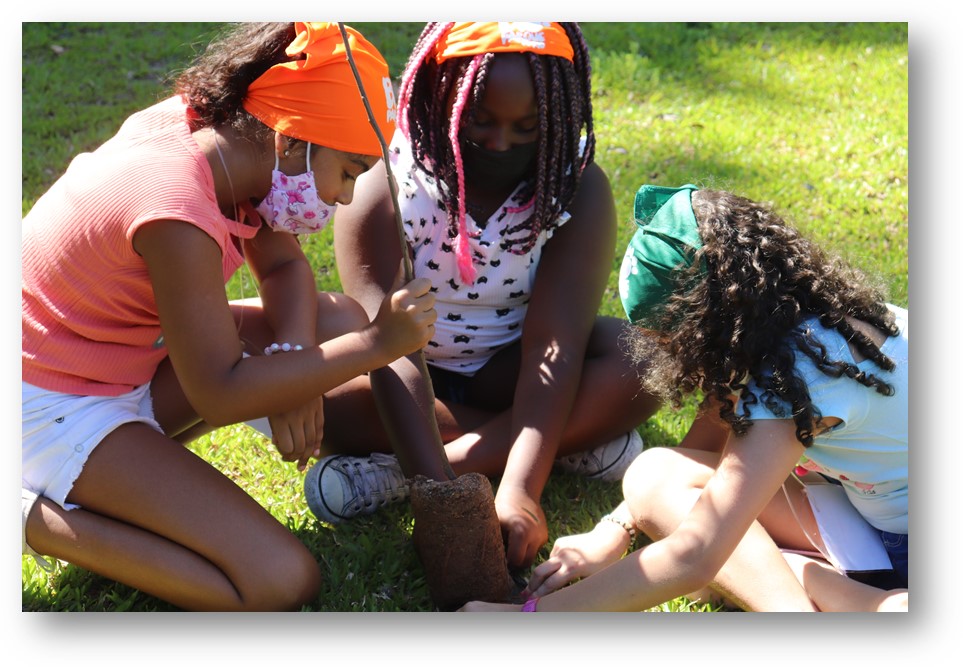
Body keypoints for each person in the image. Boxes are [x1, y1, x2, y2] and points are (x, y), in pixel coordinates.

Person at [21, 22, 437, 611]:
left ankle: (117, 476)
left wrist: (297, 361)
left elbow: (286, 271)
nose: (345, 197)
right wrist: (377, 344)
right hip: (47, 407)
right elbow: (219, 392)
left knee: (333, 318)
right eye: (346, 171)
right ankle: (36, 519)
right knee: (279, 580)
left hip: (120, 364)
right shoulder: (175, 210)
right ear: (293, 142)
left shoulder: (225, 137)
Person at [303, 22, 661, 570]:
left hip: (508, 370)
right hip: (397, 377)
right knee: (306, 393)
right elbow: (388, 349)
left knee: (651, 360)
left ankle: (410, 470)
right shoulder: (386, 177)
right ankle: (565, 437)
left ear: (560, 115)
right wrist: (442, 501)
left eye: (527, 126)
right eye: (481, 120)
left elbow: (553, 348)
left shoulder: (576, 185)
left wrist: (520, 488)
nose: (500, 143)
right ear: (439, 98)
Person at [458, 184, 908, 611]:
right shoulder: (819, 327)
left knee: (735, 560)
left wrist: (525, 618)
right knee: (656, 475)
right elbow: (695, 454)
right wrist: (614, 527)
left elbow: (694, 555)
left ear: (704, 329)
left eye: (671, 342)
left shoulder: (796, 381)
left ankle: (858, 611)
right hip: (884, 524)